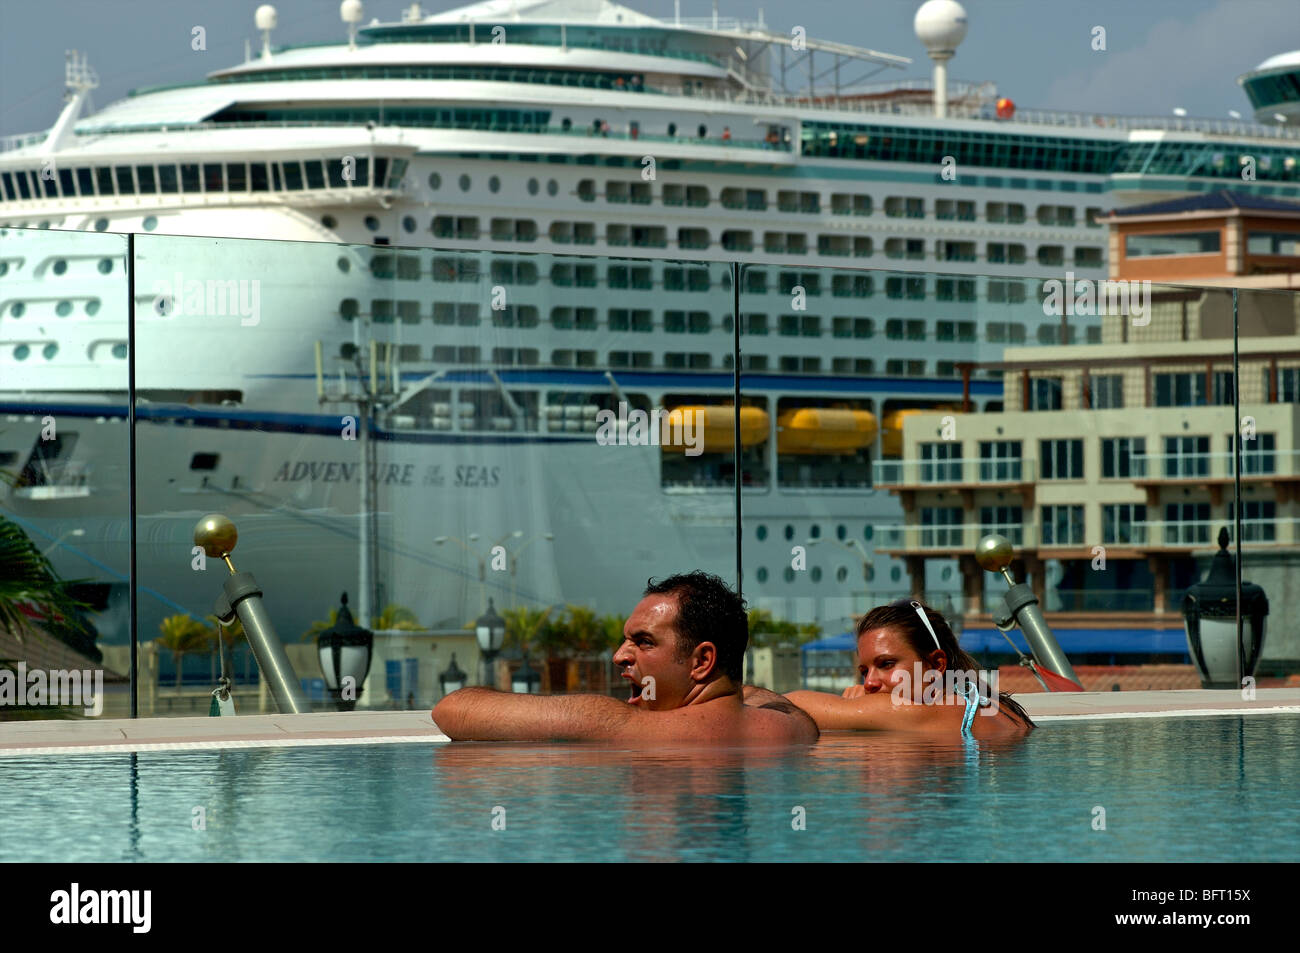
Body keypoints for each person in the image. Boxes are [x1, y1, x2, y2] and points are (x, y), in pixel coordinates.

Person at [432, 571, 819, 744]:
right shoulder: (793, 729)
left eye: (643, 642)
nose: (619, 657)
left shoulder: (618, 726)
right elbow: (758, 698)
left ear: (701, 661)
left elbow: (453, 710)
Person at [785, 600, 1034, 738]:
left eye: (886, 664)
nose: (869, 683)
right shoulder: (988, 703)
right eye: (864, 671)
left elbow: (789, 705)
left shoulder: (918, 713)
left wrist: (855, 707)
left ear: (936, 665)